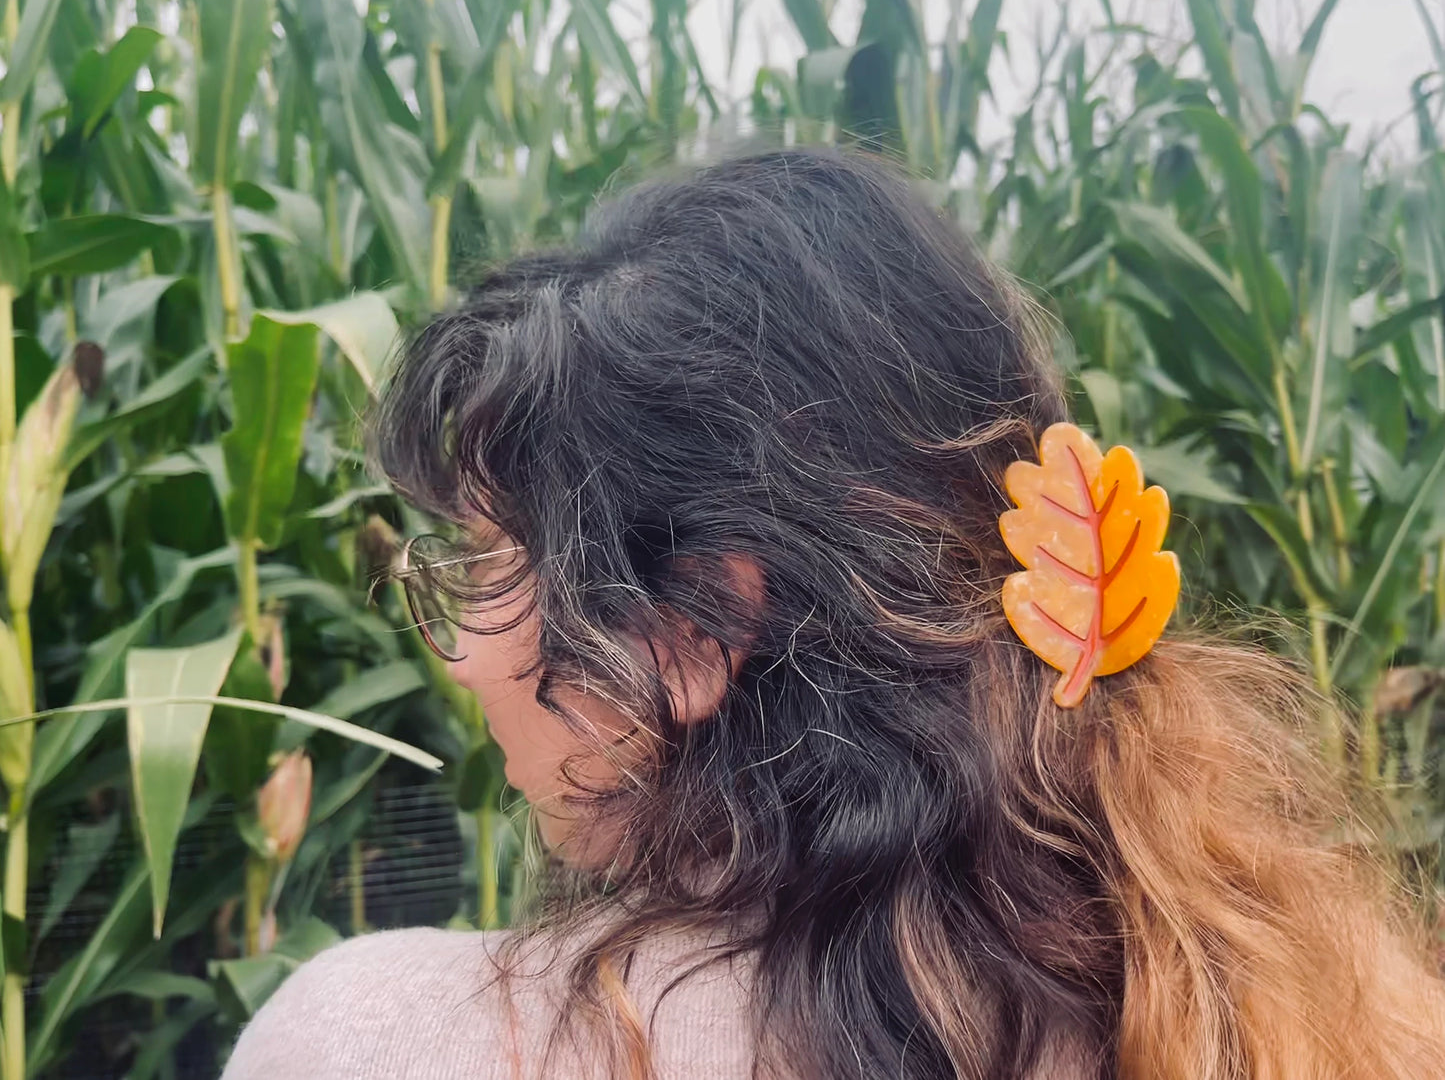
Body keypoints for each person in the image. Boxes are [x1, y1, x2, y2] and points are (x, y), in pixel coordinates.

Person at [220, 146, 1445, 1080]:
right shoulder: (1296, 1005)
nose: (468, 659)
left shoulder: (376, 1041)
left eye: (490, 566)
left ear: (690, 627)